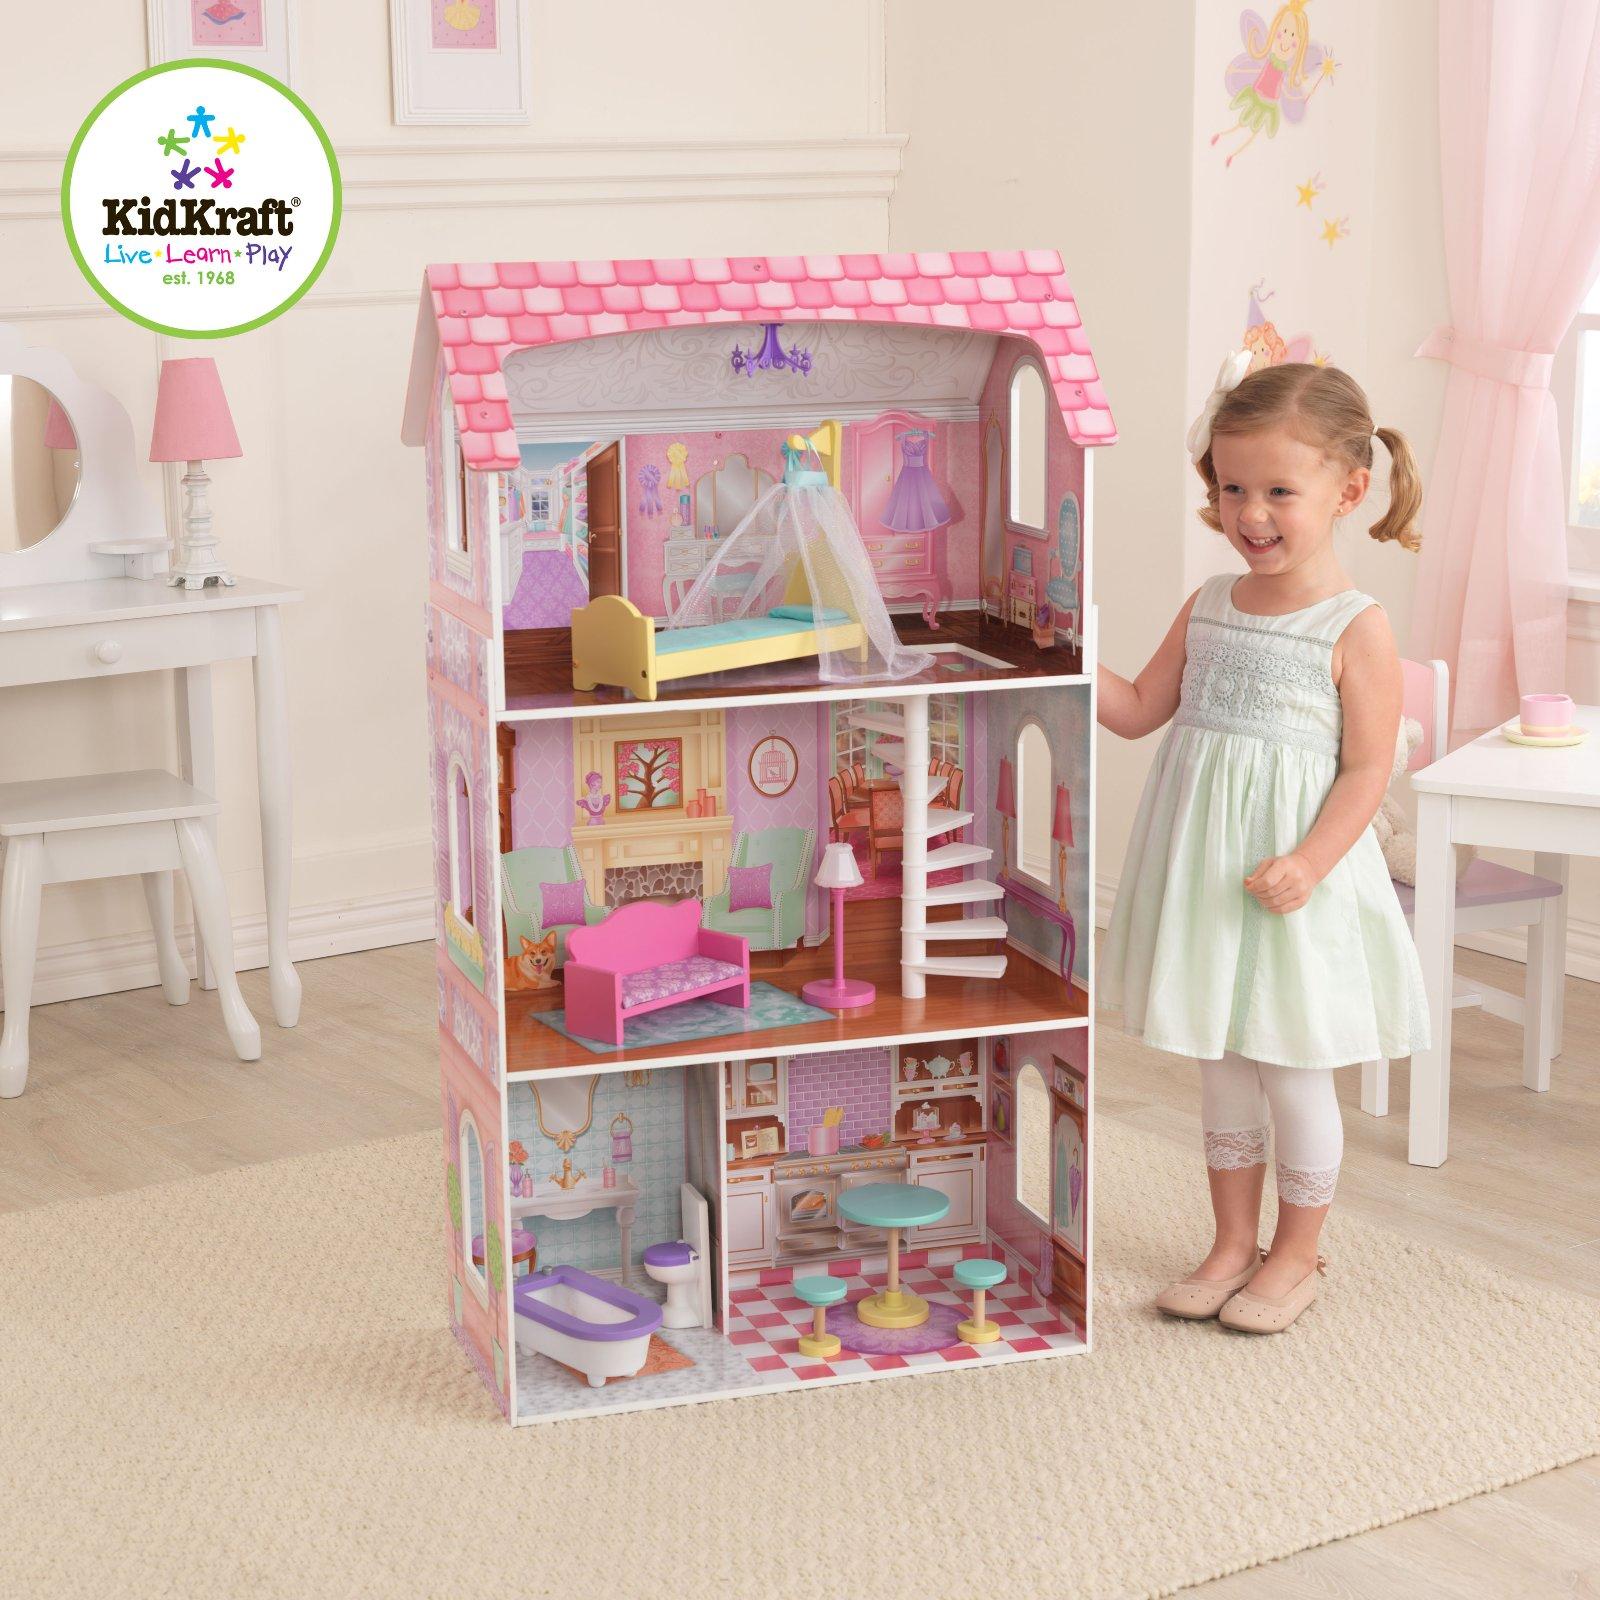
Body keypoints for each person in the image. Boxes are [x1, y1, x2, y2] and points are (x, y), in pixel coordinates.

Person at [1098, 356, 1430, 1333]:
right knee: (1221, 1063)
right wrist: (1066, 652)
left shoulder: (1355, 626)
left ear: (1348, 491)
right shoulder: (1209, 603)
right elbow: (1137, 709)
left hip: (1296, 884)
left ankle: (1296, 1252)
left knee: (1291, 1065)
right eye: (1231, 487)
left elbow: (1366, 771)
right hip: (1209, 875)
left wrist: (1310, 863)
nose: (1249, 513)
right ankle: (1231, 1243)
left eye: (1278, 491)